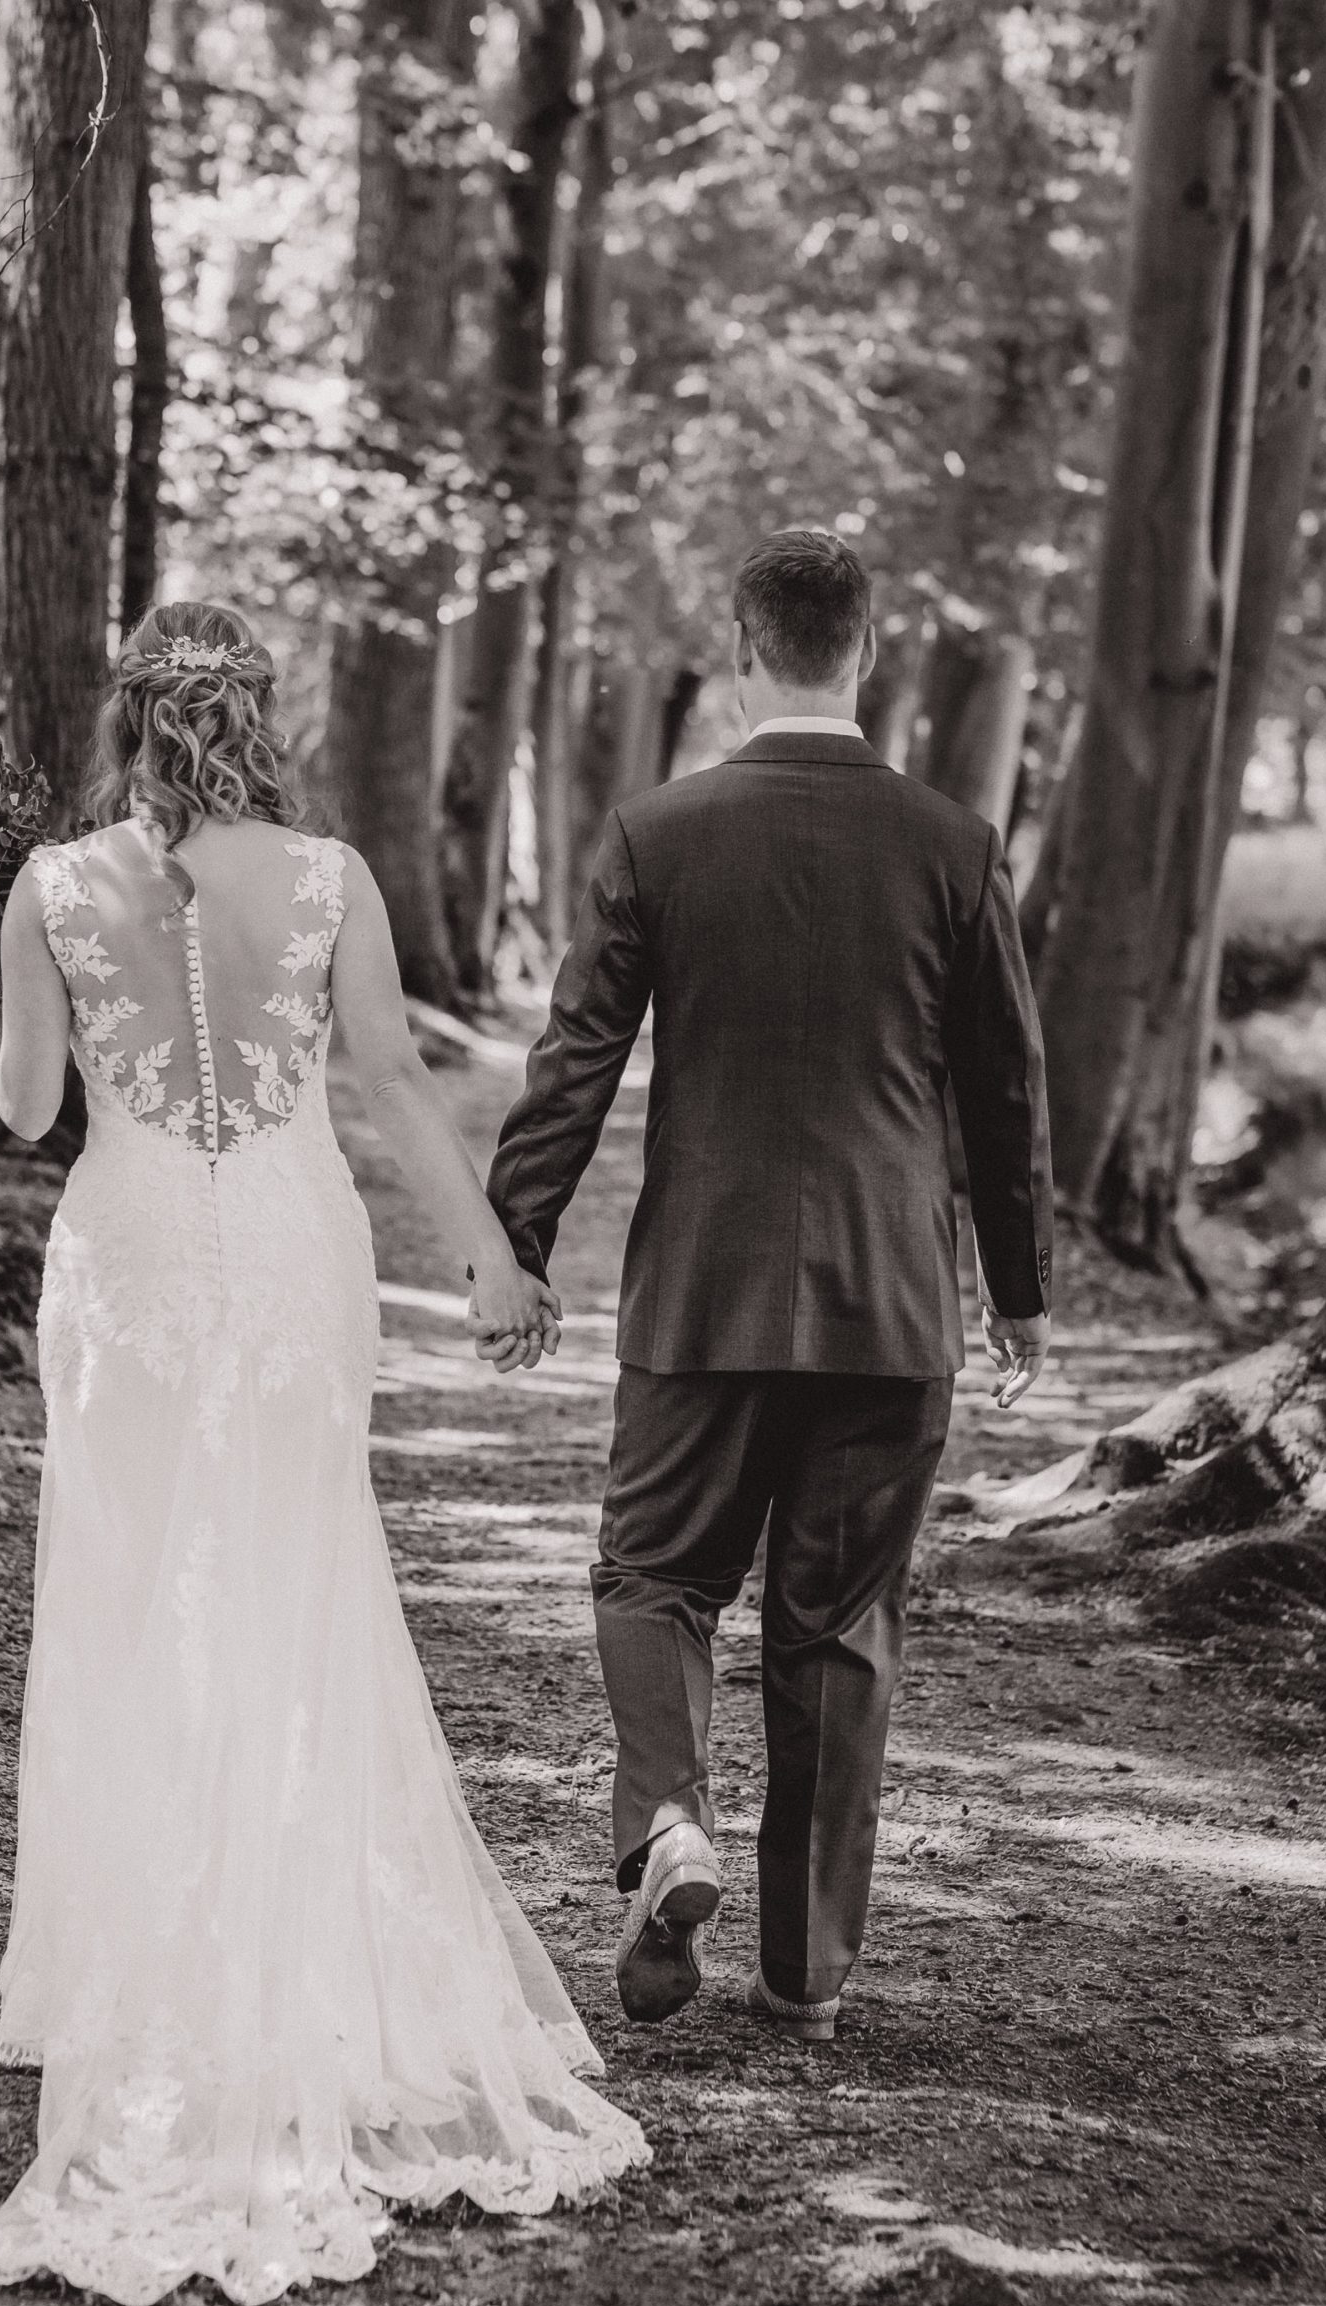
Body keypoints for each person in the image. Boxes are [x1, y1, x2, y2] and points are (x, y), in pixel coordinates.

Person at [0, 600, 647, 2306]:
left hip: (125, 1265)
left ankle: (148, 1966)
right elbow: (395, 1084)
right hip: (285, 1254)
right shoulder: (331, 877)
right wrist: (490, 1255)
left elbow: (32, 1114)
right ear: (257, 717)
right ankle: (303, 1952)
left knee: (124, 1597)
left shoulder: (48, 888)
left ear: (127, 721)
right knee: (301, 1581)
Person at [484, 527, 1053, 2041]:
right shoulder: (951, 842)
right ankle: (802, 1971)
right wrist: (1023, 1286)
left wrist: (518, 1238)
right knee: (837, 1629)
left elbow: (577, 1065)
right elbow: (1005, 1088)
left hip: (704, 1292)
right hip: (890, 1305)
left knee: (653, 1574)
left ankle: (669, 1819)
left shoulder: (655, 832)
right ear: (864, 654)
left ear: (744, 657)